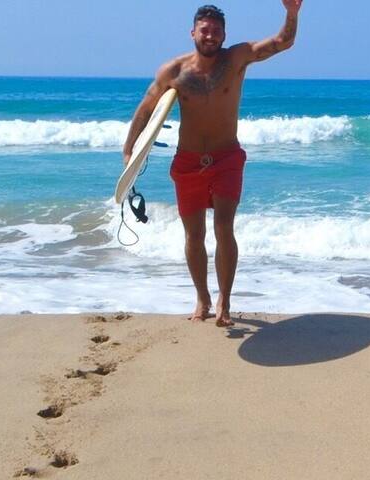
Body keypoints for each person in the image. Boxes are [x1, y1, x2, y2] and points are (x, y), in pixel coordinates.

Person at [122, 2, 302, 327]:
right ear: (193, 32)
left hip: (226, 158)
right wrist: (129, 150)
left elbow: (281, 43)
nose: (210, 35)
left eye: (216, 30)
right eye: (204, 29)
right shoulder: (174, 72)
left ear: (224, 34)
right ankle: (202, 298)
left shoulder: (236, 58)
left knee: (223, 228)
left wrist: (291, 14)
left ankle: (225, 301)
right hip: (188, 162)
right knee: (194, 235)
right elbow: (147, 106)